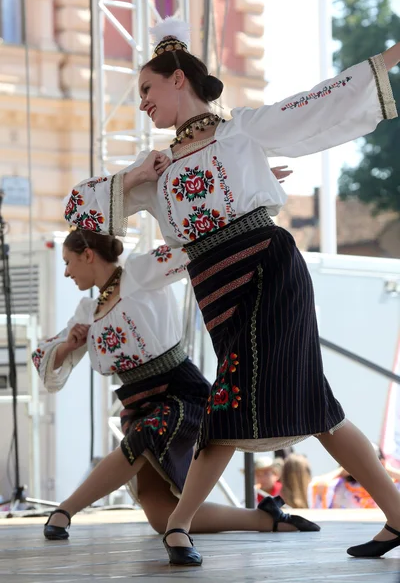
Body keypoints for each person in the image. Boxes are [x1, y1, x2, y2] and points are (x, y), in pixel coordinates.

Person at [63, 17, 400, 563]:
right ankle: (399, 515)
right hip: (217, 288)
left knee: (229, 399)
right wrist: (131, 178)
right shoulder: (157, 169)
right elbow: (78, 207)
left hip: (269, 269)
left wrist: (386, 60)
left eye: (147, 88)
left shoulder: (240, 130)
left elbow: (311, 105)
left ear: (179, 79)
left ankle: (178, 526)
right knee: (315, 408)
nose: (142, 102)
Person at [36, 227, 318, 541]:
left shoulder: (140, 271)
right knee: (161, 517)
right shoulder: (87, 311)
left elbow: (194, 251)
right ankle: (266, 519)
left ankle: (64, 511)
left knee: (143, 437)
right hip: (139, 403)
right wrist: (67, 346)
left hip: (180, 392)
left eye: (68, 262)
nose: (65, 272)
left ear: (88, 254)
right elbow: (47, 355)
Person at [308, 444, 400, 509]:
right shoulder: (340, 485)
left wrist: (389, 471)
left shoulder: (392, 485)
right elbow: (318, 485)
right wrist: (341, 471)